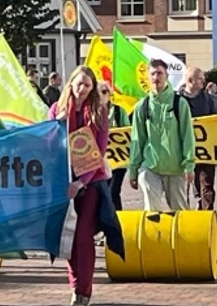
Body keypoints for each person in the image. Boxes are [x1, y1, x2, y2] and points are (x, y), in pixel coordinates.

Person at [48, 66, 121, 306]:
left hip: (91, 182)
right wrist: (55, 127)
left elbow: (98, 152)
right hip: (63, 181)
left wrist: (81, 183)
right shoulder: (56, 110)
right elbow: (47, 145)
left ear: (92, 88)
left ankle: (84, 291)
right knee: (67, 236)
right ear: (70, 84)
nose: (82, 89)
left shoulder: (99, 113)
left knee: (83, 236)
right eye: (79, 83)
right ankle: (75, 285)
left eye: (87, 85)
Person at [128, 59, 195, 212]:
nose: (156, 77)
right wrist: (133, 170)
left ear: (167, 75)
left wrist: (189, 165)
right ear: (148, 77)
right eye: (152, 74)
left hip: (175, 167)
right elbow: (137, 140)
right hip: (150, 166)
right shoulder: (142, 106)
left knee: (180, 211)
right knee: (152, 211)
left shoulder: (180, 104)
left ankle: (180, 236)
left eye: (159, 73)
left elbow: (187, 136)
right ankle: (154, 235)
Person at [179, 67, 217, 210]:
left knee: (207, 183)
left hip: (206, 149)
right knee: (185, 184)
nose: (203, 81)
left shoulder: (209, 99)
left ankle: (207, 213)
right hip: (183, 150)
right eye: (200, 78)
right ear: (190, 80)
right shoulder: (177, 100)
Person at [99, 81, 131, 211]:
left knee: (113, 192)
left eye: (104, 91)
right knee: (102, 195)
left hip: (118, 160)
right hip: (100, 161)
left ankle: (118, 221)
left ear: (110, 94)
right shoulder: (91, 112)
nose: (101, 95)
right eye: (98, 92)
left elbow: (128, 133)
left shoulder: (119, 111)